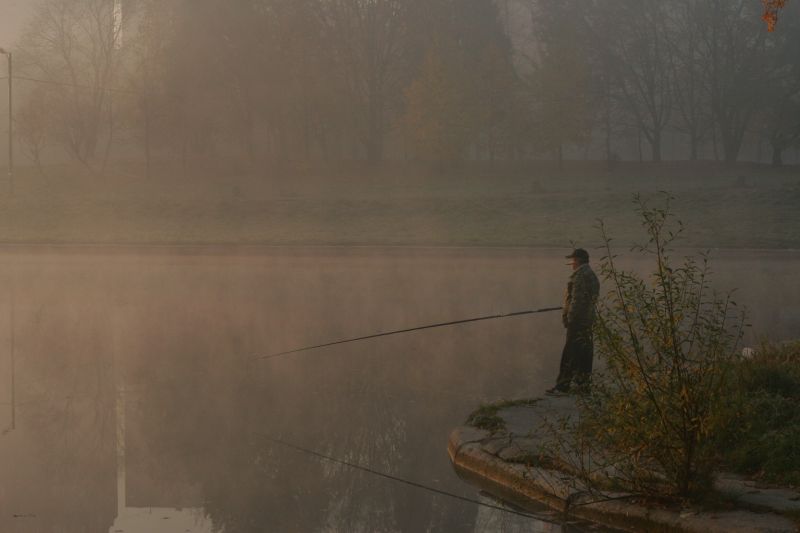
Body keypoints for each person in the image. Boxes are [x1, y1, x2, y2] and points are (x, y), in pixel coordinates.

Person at [546, 248, 600, 395]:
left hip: (577, 322)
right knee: (584, 354)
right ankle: (583, 386)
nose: (572, 263)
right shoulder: (591, 275)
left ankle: (563, 387)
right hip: (587, 321)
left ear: (578, 261)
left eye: (573, 260)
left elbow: (577, 301)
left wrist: (569, 318)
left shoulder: (580, 276)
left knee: (569, 353)